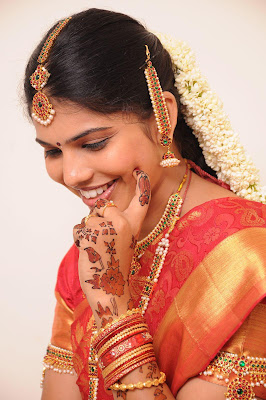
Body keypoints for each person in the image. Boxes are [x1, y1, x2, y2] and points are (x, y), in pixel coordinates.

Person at [24, 8, 266, 400]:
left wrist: (113, 309)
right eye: (53, 151)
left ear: (162, 117)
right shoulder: (89, 254)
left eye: (93, 143)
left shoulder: (248, 261)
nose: (71, 175)